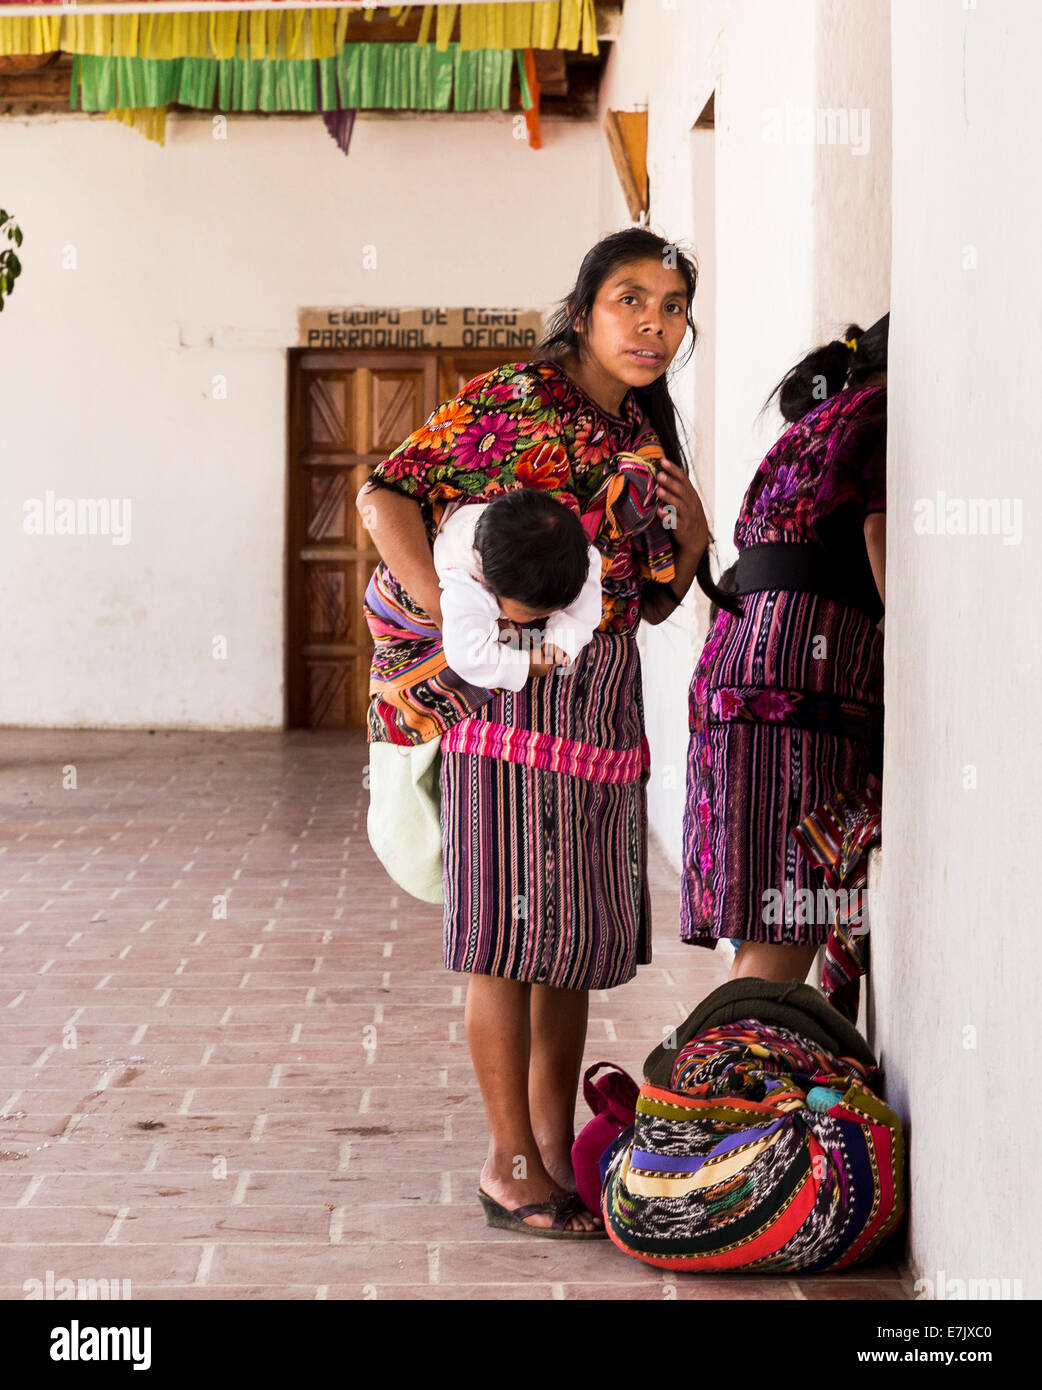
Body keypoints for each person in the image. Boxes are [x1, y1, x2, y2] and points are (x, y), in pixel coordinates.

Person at [356, 227, 728, 1236]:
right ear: (582, 307)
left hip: (599, 705)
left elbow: (648, 603)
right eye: (630, 301)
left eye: (672, 306)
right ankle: (506, 1161)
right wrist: (448, 618)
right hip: (509, 711)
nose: (653, 325)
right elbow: (382, 491)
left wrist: (691, 536)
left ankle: (553, 1156)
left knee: (568, 947)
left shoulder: (641, 434)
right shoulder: (515, 397)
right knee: (505, 942)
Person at [680, 313, 889, 984]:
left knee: (774, 913)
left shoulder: (818, 424)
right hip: (799, 677)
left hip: (745, 658)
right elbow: (879, 536)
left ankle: (725, 1078)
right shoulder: (886, 412)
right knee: (790, 914)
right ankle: (719, 1081)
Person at [435, 488, 603, 690]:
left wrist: (563, 638)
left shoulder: (570, 549)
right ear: (494, 588)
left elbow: (589, 566)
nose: (548, 615)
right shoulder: (469, 587)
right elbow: (467, 657)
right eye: (534, 613)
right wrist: (526, 665)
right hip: (460, 533)